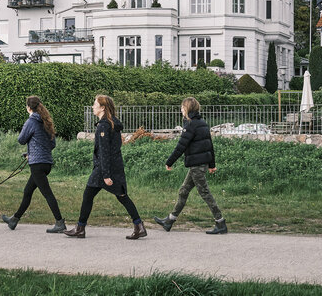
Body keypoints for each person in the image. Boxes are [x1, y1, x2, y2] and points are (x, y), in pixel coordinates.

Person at [63, 95, 147, 240]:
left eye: (95, 104)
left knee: (89, 195)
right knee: (121, 196)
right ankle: (139, 226)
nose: (92, 107)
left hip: (104, 168)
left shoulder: (104, 125)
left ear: (102, 108)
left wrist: (106, 175)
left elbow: (104, 151)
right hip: (115, 166)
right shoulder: (113, 124)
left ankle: (80, 228)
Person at [154, 96, 227, 234]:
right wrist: (211, 164)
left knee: (205, 193)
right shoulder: (202, 123)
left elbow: (181, 146)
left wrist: (169, 162)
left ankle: (220, 222)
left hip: (197, 166)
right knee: (183, 191)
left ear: (188, 108)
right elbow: (209, 146)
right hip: (200, 164)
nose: (181, 110)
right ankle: (169, 221)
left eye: (182, 107)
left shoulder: (191, 125)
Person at [1, 95, 66, 233]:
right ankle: (14, 220)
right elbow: (52, 144)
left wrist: (34, 154)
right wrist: (32, 154)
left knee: (47, 194)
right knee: (27, 191)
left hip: (37, 165)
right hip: (46, 163)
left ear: (28, 107)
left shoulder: (31, 121)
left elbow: (21, 139)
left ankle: (60, 222)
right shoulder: (46, 121)